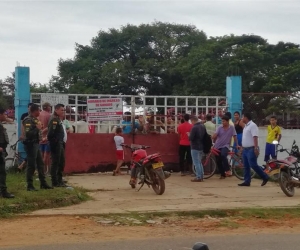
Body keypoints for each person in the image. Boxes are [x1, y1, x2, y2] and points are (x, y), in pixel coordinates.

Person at [22, 104, 52, 191]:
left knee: (40, 163)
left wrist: (40, 137)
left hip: (36, 144)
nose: (40, 112)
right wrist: (37, 128)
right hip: (30, 145)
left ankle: (43, 183)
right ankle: (29, 185)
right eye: (39, 110)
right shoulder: (28, 120)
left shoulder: (35, 119)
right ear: (34, 111)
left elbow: (37, 132)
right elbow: (28, 134)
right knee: (31, 165)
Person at [238, 113, 269, 187]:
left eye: (243, 117)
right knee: (246, 166)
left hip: (251, 148)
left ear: (246, 117)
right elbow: (245, 138)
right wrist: (242, 148)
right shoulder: (246, 126)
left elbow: (255, 137)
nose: (242, 119)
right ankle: (247, 181)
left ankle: (265, 176)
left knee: (253, 165)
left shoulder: (252, 125)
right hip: (245, 149)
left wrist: (256, 148)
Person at [47, 104, 66, 187]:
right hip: (56, 143)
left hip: (60, 143)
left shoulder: (57, 118)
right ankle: (55, 182)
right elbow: (50, 133)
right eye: (62, 110)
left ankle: (59, 180)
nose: (63, 112)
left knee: (61, 162)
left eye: (64, 110)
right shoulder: (54, 119)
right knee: (56, 162)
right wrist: (55, 142)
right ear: (56, 110)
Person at [0, 108, 14, 198]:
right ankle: (3, 191)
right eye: (4, 114)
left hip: (2, 150)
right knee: (2, 172)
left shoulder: (1, 124)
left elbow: (11, 120)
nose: (6, 115)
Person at [189, 116, 206, 182]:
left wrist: (189, 135)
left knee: (196, 162)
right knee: (199, 162)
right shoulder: (202, 126)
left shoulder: (194, 127)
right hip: (201, 146)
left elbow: (191, 138)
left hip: (195, 146)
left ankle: (199, 176)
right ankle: (201, 175)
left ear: (193, 120)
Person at [38, 102, 52, 174]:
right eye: (49, 106)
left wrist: (40, 132)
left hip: (40, 138)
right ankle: (47, 171)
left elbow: (38, 125)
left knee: (42, 154)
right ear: (47, 107)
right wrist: (43, 131)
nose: (50, 107)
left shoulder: (39, 114)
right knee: (47, 155)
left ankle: (42, 170)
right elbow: (49, 126)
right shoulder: (49, 115)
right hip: (47, 138)